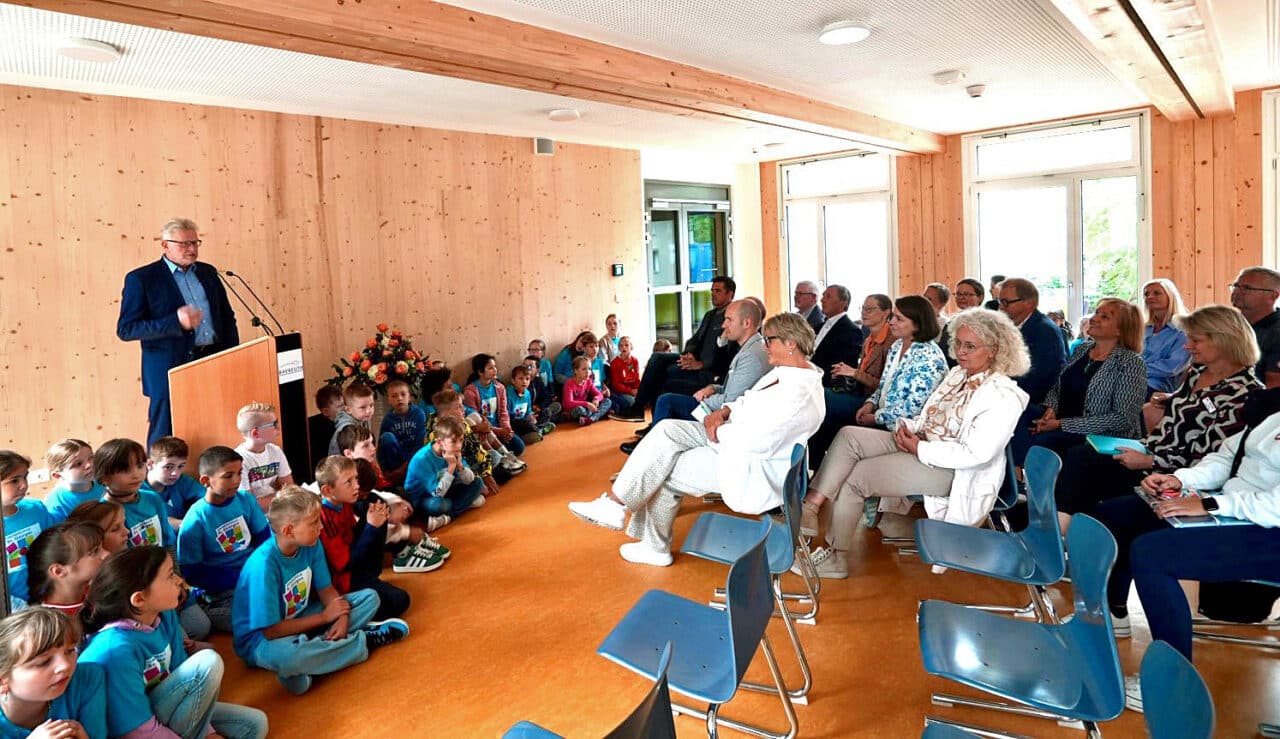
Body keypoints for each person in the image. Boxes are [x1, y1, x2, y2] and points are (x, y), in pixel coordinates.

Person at [567, 312, 825, 567]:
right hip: (733, 437)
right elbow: (749, 399)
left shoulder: (798, 393)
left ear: (790, 343)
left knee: (663, 467)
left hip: (748, 465)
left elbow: (758, 443)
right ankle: (618, 505)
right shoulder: (788, 373)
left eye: (769, 339)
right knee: (666, 431)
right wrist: (725, 411)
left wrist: (718, 427)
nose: (765, 345)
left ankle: (650, 542)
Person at [800, 308, 1031, 578]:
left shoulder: (1002, 395)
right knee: (850, 436)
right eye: (958, 342)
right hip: (923, 446)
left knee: (857, 476)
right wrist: (908, 429)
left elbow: (975, 454)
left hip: (954, 471)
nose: (961, 351)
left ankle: (836, 557)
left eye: (970, 346)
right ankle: (812, 506)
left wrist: (918, 447)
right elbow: (928, 417)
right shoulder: (958, 375)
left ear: (994, 350)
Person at [1094, 399, 1280, 711]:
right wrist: (1181, 480)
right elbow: (1227, 458)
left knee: (1153, 556)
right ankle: (1114, 613)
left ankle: (1172, 683)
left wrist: (1211, 505)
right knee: (1122, 513)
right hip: (1239, 511)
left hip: (1269, 531)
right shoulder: (1272, 414)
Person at [1052, 305, 1259, 531]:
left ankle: (1072, 536)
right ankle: (1064, 533)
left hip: (1174, 472)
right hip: (1150, 451)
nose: (1187, 346)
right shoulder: (1199, 372)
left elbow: (1210, 454)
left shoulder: (1244, 394)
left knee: (1091, 477)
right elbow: (1187, 412)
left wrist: (1151, 461)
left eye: (1196, 341)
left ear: (1224, 341)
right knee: (1080, 457)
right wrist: (1169, 402)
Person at [232, 486, 409, 696]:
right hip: (262, 640)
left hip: (303, 617)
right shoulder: (263, 565)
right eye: (314, 522)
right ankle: (363, 642)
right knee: (289, 657)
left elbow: (326, 590)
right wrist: (326, 617)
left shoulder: (310, 543)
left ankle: (313, 659)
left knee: (370, 597)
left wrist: (341, 618)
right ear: (289, 530)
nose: (321, 527)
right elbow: (272, 630)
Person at [80, 546, 268, 739]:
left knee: (254, 725)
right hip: (138, 729)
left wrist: (208, 732)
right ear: (140, 598)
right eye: (170, 575)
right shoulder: (114, 651)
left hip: (166, 712)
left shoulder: (164, 615)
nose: (179, 580)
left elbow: (188, 685)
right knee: (207, 663)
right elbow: (137, 731)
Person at [117, 218, 240, 446]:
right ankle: (154, 481)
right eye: (185, 244)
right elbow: (127, 329)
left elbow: (226, 318)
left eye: (195, 243)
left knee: (215, 424)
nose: (192, 249)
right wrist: (175, 322)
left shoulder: (207, 272)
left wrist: (232, 356)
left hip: (212, 360)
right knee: (164, 434)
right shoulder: (142, 279)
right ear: (165, 245)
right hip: (169, 368)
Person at [1010, 298, 1147, 466]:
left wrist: (1061, 424)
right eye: (1097, 313)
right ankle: (1013, 479)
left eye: (1104, 317)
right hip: (1060, 419)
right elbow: (1058, 385)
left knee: (1039, 443)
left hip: (1095, 434)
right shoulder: (1083, 349)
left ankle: (1022, 481)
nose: (1094, 318)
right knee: (1015, 412)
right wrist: (1051, 410)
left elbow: (1121, 419)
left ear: (1120, 330)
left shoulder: (1130, 362)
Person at [620, 300, 768, 454]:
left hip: (723, 413)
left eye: (729, 320)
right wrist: (712, 388)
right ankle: (651, 441)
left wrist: (705, 399)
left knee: (667, 401)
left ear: (746, 323)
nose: (723, 325)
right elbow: (733, 389)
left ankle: (649, 449)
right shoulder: (751, 347)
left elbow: (730, 401)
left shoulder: (751, 356)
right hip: (719, 396)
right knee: (663, 372)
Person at [176, 446, 271, 634]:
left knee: (285, 603)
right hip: (221, 589)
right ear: (205, 481)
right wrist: (237, 577)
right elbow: (192, 572)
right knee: (256, 620)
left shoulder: (246, 500)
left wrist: (259, 571)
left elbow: (264, 541)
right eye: (228, 476)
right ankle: (205, 609)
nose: (236, 480)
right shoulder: (195, 520)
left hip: (252, 573)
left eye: (239, 473)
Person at [614, 276, 738, 419]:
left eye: (718, 291)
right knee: (657, 358)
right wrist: (689, 354)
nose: (713, 294)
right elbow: (694, 339)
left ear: (730, 294)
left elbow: (727, 356)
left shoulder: (733, 320)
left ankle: (654, 425)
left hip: (708, 372)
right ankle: (638, 408)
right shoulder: (710, 315)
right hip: (694, 362)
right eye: (712, 290)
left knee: (663, 377)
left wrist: (701, 364)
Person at [315, 457, 419, 624]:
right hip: (342, 581)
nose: (357, 485)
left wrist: (378, 518)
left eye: (355, 478)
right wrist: (370, 527)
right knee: (401, 600)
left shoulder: (344, 502)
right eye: (348, 482)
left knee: (379, 510)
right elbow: (345, 564)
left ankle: (372, 578)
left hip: (356, 567)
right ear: (328, 491)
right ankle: (358, 615)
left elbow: (353, 538)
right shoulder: (323, 518)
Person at [807, 294, 893, 466]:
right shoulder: (869, 339)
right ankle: (817, 465)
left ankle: (816, 465)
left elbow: (885, 387)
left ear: (886, 313)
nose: (864, 313)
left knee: (820, 398)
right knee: (817, 400)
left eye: (870, 309)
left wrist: (854, 374)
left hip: (873, 402)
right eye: (863, 308)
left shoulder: (892, 341)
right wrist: (844, 374)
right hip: (859, 394)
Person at [0, 608, 106, 738]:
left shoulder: (87, 679)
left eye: (70, 651)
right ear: (2, 680)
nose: (65, 665)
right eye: (44, 662)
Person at [997, 278, 1067, 405]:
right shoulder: (1011, 326)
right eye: (1000, 301)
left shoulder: (1045, 330)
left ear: (1029, 303)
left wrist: (999, 391)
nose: (1001, 307)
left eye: (1006, 302)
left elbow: (1037, 378)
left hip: (1034, 404)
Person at [403, 417, 487, 520]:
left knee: (478, 483)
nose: (459, 446)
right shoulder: (423, 459)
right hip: (424, 498)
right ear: (439, 442)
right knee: (441, 505)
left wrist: (460, 466)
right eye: (453, 441)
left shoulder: (452, 450)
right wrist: (451, 468)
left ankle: (451, 513)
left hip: (445, 490)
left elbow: (470, 480)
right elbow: (437, 493)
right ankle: (459, 508)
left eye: (461, 440)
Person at [0, 451, 52, 611]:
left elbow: (55, 544)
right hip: (14, 608)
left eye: (25, 477)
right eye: (14, 480)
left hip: (48, 594)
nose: (24, 485)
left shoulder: (36, 508)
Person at [25, 522, 109, 617]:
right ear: (58, 571)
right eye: (95, 551)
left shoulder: (100, 591)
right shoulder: (53, 624)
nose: (107, 554)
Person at [233, 402, 295, 513]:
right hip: (255, 517)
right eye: (274, 424)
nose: (279, 428)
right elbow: (250, 505)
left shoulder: (275, 451)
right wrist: (283, 496)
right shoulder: (238, 460)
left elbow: (290, 488)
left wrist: (281, 497)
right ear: (256, 433)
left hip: (278, 510)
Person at [1229, 266, 1280, 387]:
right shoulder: (1227, 325)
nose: (1237, 291)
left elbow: (1274, 388)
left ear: (1273, 296)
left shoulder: (1276, 332)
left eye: (1247, 288)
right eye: (1236, 286)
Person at [141, 437, 204, 531]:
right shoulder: (139, 492)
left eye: (180, 466)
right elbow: (157, 521)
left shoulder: (182, 481)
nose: (176, 473)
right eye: (168, 467)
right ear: (150, 464)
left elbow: (209, 497)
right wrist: (187, 524)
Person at [1141, 278, 1191, 396]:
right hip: (1132, 380)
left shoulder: (1183, 330)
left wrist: (1134, 370)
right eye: (1146, 294)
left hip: (1158, 387)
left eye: (1156, 293)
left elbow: (1171, 367)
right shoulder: (1142, 328)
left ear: (1170, 296)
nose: (1149, 297)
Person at [810, 285, 863, 387]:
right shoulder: (818, 327)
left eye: (828, 296)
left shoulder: (851, 330)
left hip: (826, 387)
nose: (822, 300)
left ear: (843, 302)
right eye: (823, 296)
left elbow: (842, 366)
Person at [42, 440, 103, 524]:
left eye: (91, 458)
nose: (89, 465)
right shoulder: (56, 503)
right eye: (78, 464)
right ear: (58, 475)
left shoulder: (104, 483)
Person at [377, 379, 427, 475]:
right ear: (389, 400)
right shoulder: (388, 419)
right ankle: (396, 473)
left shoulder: (418, 414)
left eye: (403, 394)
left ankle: (410, 470)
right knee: (386, 437)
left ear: (409, 397)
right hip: (397, 459)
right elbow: (381, 448)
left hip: (415, 457)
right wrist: (385, 470)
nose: (399, 398)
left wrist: (409, 463)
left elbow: (421, 441)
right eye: (394, 396)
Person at [939, 279, 985, 366]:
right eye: (958, 294)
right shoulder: (952, 321)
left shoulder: (985, 322)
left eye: (967, 294)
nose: (961, 297)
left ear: (980, 297)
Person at [327, 383, 376, 456]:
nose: (369, 411)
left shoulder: (361, 417)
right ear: (348, 409)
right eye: (363, 407)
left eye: (371, 405)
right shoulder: (348, 429)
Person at [561, 356, 612, 425]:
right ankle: (599, 415)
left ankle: (591, 419)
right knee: (580, 410)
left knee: (608, 401)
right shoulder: (569, 383)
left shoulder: (588, 381)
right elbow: (568, 403)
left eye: (589, 369)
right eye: (584, 369)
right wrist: (587, 404)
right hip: (574, 409)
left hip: (587, 408)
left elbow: (599, 394)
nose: (588, 372)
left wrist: (596, 399)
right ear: (576, 371)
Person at [308, 385, 344, 478]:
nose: (345, 409)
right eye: (340, 406)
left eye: (345, 404)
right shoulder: (314, 429)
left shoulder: (345, 422)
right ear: (326, 411)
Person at [507, 365, 545, 445]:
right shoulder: (509, 393)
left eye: (527, 379)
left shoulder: (527, 393)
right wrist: (527, 421)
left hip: (525, 421)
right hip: (513, 423)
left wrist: (531, 416)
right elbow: (506, 414)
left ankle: (537, 430)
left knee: (545, 412)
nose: (524, 382)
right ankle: (539, 430)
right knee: (526, 424)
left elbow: (528, 410)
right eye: (521, 379)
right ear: (513, 381)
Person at [606, 337, 640, 419]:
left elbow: (637, 378)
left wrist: (637, 390)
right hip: (620, 391)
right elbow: (616, 384)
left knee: (643, 398)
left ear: (631, 347)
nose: (623, 347)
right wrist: (631, 391)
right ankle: (615, 406)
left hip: (632, 390)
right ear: (618, 348)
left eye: (626, 345)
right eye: (621, 346)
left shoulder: (635, 360)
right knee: (631, 401)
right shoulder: (615, 363)